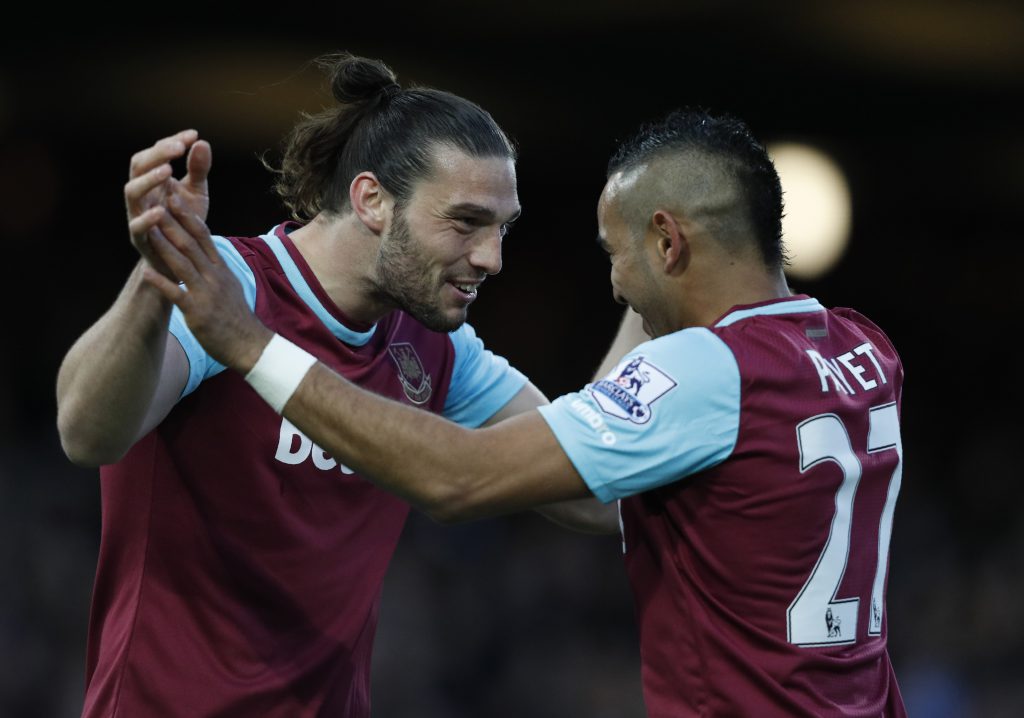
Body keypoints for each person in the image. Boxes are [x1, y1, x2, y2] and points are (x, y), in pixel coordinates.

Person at [145, 108, 908, 717]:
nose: (617, 291)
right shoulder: (867, 353)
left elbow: (457, 479)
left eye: (616, 255)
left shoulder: (711, 371)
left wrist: (247, 343)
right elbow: (598, 483)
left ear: (667, 241)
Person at [56, 53, 626, 718]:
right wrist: (157, 280)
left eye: (502, 229)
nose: (491, 258)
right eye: (466, 222)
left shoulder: (437, 349)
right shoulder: (231, 289)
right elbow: (87, 432)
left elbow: (593, 493)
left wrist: (648, 304)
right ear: (372, 200)